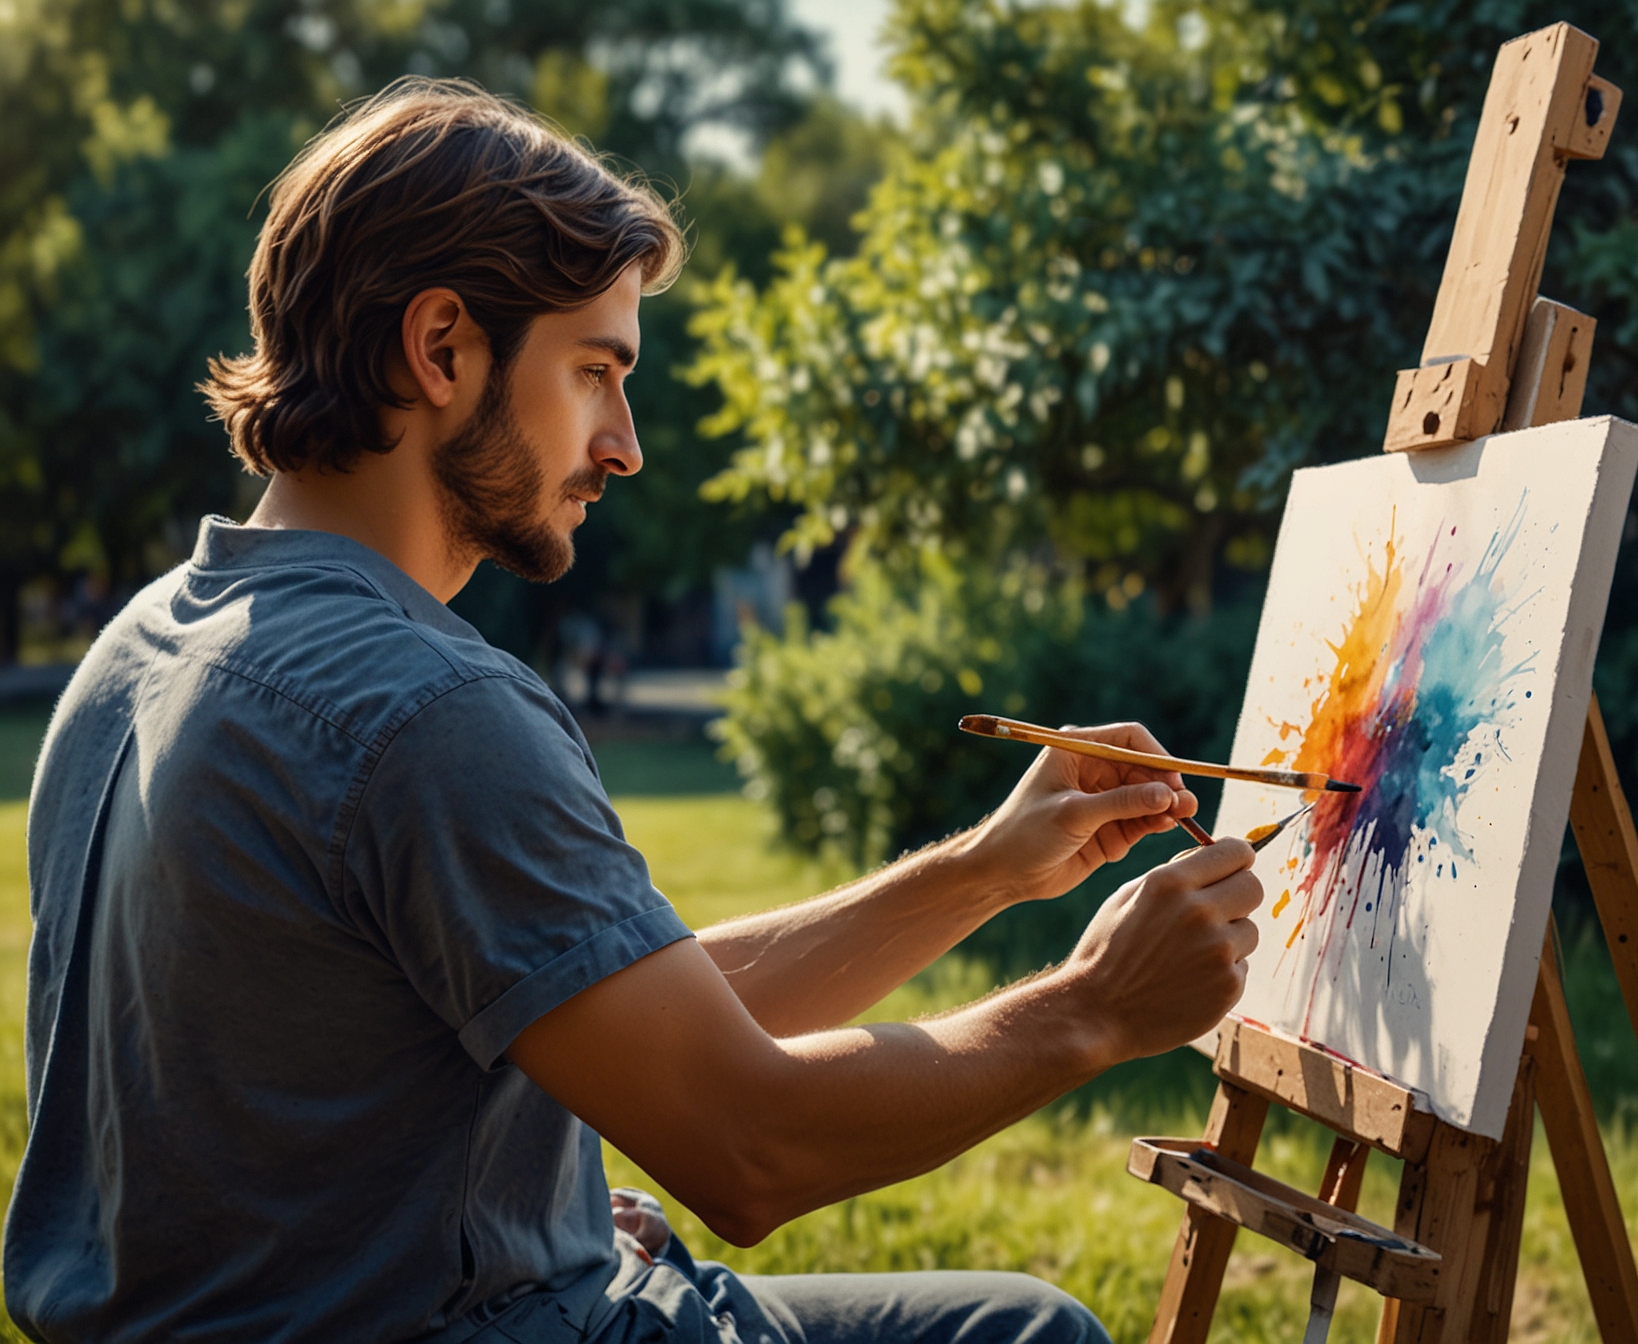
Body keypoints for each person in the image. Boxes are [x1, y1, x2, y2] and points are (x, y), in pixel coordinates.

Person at [4, 79, 1262, 1344]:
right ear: (441, 348)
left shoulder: (142, 651)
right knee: (1025, 1333)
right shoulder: (430, 710)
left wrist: (980, 873)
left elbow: (600, 1006)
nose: (626, 444)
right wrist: (1091, 1005)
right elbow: (747, 1145)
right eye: (595, 371)